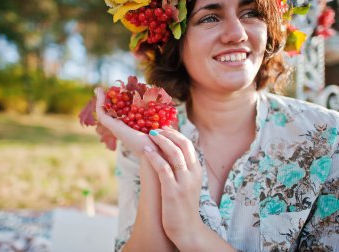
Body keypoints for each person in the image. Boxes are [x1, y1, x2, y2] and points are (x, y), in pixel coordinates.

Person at [92, 0, 339, 251]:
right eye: (210, 18)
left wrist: (190, 232)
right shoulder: (144, 141)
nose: (237, 34)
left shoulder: (329, 137)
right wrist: (153, 159)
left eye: (251, 13)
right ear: (173, 42)